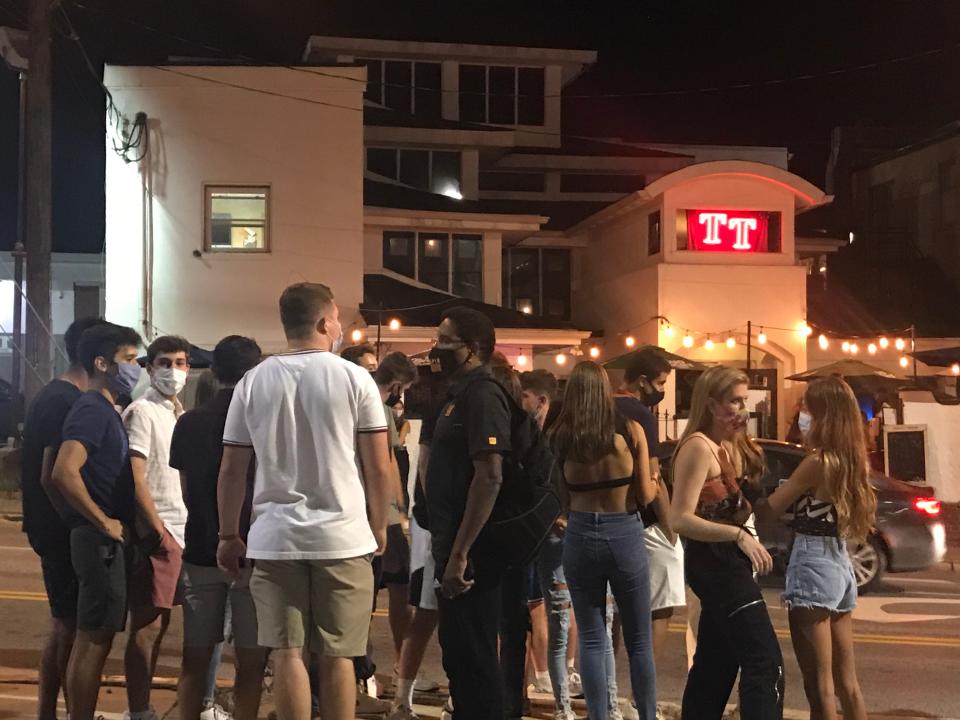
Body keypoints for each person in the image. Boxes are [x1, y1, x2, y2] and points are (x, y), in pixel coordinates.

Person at [217, 282, 392, 720]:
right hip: (344, 538)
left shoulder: (253, 381)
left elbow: (232, 469)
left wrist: (228, 535)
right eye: (337, 318)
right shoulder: (356, 379)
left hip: (274, 538)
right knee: (338, 656)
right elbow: (377, 466)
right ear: (323, 321)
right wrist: (381, 524)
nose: (339, 327)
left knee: (287, 653)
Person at [669, 366, 784, 720]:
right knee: (765, 663)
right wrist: (737, 536)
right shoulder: (697, 448)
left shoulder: (719, 448)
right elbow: (680, 518)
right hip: (718, 566)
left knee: (715, 667)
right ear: (711, 403)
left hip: (725, 565)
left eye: (744, 401)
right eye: (734, 401)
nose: (742, 409)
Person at [757, 377, 874, 720]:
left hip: (812, 562)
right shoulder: (853, 462)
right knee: (847, 683)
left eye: (807, 409)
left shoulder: (817, 463)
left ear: (824, 415)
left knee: (818, 686)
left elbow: (769, 510)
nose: (801, 415)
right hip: (840, 563)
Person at [548, 361, 659, 720]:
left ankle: (598, 715)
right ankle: (646, 714)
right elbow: (645, 494)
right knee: (639, 641)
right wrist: (656, 480)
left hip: (580, 534)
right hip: (623, 530)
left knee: (593, 638)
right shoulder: (630, 431)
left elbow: (561, 499)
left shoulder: (562, 438)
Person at [50, 322, 142, 720]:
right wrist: (102, 522)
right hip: (98, 543)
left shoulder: (104, 409)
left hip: (95, 540)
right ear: (102, 363)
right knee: (93, 640)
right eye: (129, 359)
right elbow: (62, 471)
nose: (136, 368)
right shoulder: (92, 409)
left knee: (96, 638)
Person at [171, 336, 266, 720]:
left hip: (201, 548)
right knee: (251, 664)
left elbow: (187, 491)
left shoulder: (190, 422)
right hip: (253, 552)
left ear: (213, 372)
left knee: (195, 658)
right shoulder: (263, 422)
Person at [425, 306, 511, 720]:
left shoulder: (483, 396)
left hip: (473, 553)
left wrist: (461, 553)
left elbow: (490, 476)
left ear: (473, 350)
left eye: (446, 341)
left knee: (476, 658)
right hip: (451, 545)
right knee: (458, 655)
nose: (436, 349)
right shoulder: (456, 396)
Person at [21, 316, 106, 720]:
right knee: (71, 628)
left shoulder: (52, 394)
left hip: (49, 527)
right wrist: (78, 522)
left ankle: (48, 714)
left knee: (64, 624)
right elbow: (51, 474)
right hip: (60, 530)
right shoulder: (66, 401)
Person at [121, 335, 192, 720]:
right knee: (146, 626)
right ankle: (139, 709)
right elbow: (136, 476)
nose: (173, 370)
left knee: (161, 624)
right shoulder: (142, 411)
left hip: (179, 529)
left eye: (180, 363)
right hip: (159, 532)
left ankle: (143, 705)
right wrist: (156, 529)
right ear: (149, 369)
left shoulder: (174, 411)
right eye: (164, 363)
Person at [614, 348, 685, 714]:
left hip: (605, 518)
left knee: (612, 615)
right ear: (642, 381)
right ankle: (642, 700)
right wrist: (672, 526)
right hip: (644, 522)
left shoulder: (599, 407)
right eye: (659, 383)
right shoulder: (639, 413)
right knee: (660, 609)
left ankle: (610, 695)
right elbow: (652, 478)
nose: (661, 390)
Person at [518, 369, 584, 720]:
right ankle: (556, 695)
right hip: (544, 533)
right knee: (548, 610)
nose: (519, 402)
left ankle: (558, 690)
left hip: (556, 532)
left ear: (541, 400)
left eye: (524, 395)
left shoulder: (553, 437)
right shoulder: (532, 433)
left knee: (556, 612)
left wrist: (562, 514)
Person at [388, 376, 448, 720]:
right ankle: (403, 695)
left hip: (422, 529)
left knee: (424, 616)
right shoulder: (430, 430)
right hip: (432, 532)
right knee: (432, 617)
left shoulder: (412, 429)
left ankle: (402, 696)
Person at [373, 352, 419, 666]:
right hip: (384, 515)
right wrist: (400, 510)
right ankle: (402, 666)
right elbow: (387, 465)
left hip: (365, 511)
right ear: (397, 384)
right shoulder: (380, 411)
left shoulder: (356, 401)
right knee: (400, 586)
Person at [393, 401, 412, 514]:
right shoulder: (389, 422)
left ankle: (404, 513)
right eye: (395, 408)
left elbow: (399, 442)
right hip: (391, 454)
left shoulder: (405, 423)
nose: (397, 411)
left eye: (400, 408)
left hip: (400, 454)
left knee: (402, 485)